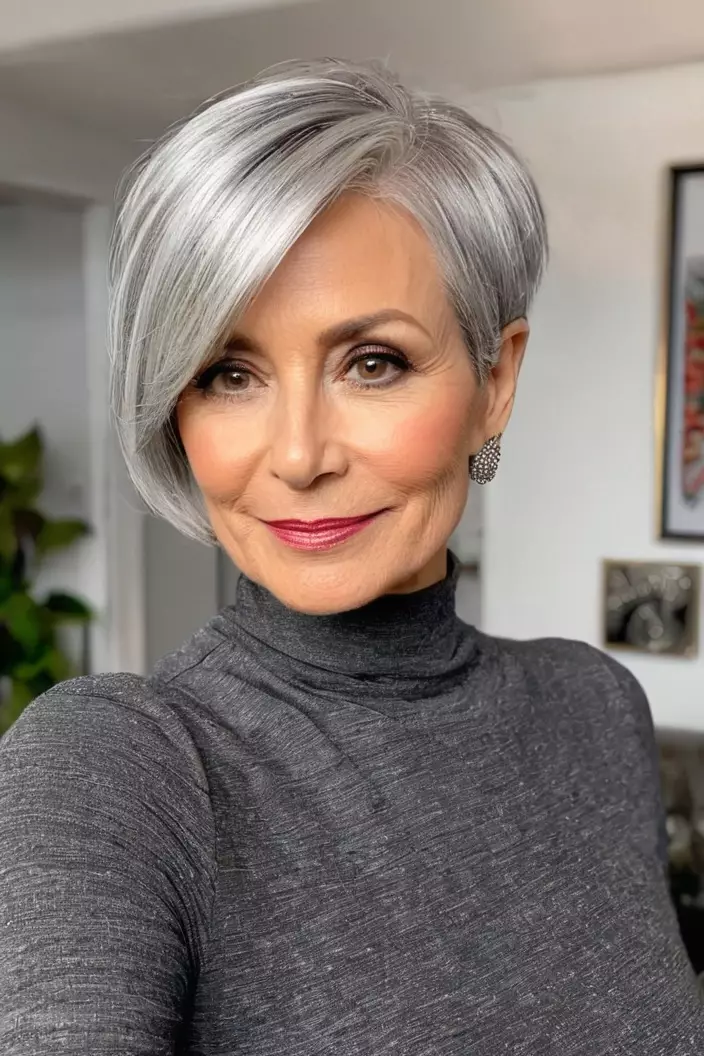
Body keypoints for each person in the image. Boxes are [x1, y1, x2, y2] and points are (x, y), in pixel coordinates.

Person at [0, 58, 701, 1056]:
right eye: (227, 372)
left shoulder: (594, 706)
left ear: (493, 380)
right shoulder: (119, 767)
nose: (296, 456)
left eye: (371, 363)